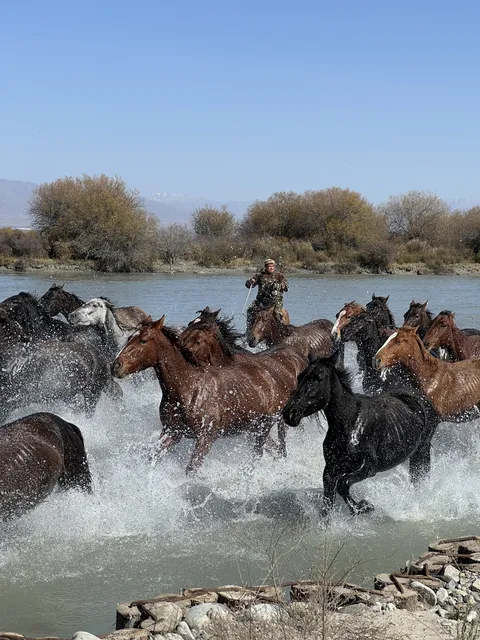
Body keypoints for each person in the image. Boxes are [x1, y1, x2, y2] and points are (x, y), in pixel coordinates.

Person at [245, 259, 288, 324]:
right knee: (250, 310)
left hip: (275, 301)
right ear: (265, 267)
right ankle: (249, 327)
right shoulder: (259, 275)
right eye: (269, 266)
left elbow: (286, 287)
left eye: (272, 266)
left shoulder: (278, 275)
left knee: (278, 314)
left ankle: (281, 327)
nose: (271, 268)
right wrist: (250, 282)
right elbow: (249, 285)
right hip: (261, 300)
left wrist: (283, 285)